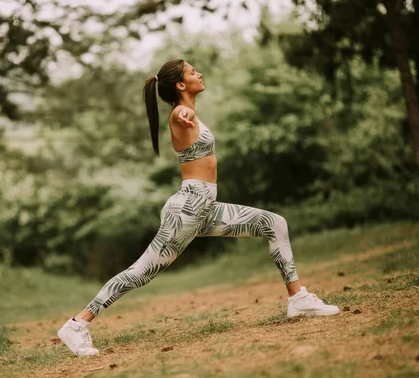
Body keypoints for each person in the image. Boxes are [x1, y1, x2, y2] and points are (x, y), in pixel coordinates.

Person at [57, 59, 340, 357]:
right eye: (192, 72)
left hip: (204, 207)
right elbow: (180, 115)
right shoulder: (182, 113)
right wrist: (181, 114)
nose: (199, 74)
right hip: (187, 210)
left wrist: (185, 115)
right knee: (140, 272)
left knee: (274, 223)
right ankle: (77, 324)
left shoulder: (191, 113)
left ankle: (298, 298)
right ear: (181, 85)